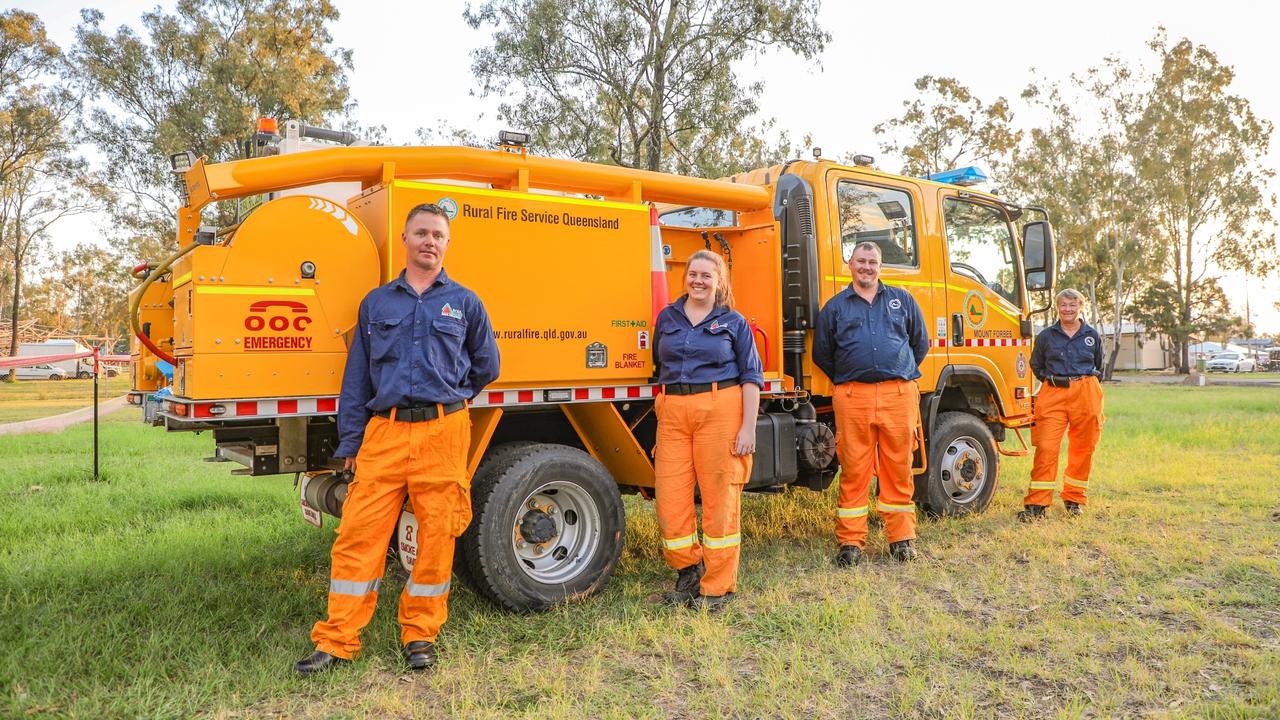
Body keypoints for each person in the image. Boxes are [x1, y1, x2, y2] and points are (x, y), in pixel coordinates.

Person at [295, 203, 500, 675]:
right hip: (383, 433)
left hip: (444, 433)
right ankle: (337, 640)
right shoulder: (377, 303)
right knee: (357, 536)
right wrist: (349, 443)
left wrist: (451, 397)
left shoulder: (466, 302)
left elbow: (488, 365)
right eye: (422, 233)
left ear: (447, 244)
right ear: (405, 239)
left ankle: (420, 635)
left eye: (438, 235)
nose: (430, 241)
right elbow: (357, 381)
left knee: (436, 537)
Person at [653, 249, 763, 612]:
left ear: (719, 282)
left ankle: (718, 587)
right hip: (673, 412)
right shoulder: (667, 317)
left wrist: (747, 427)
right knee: (671, 498)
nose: (698, 281)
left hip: (720, 409)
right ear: (685, 277)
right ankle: (687, 571)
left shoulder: (733, 322)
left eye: (706, 275)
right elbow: (659, 367)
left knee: (720, 499)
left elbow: (751, 378)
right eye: (693, 274)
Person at [813, 242, 929, 566]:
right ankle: (850, 543)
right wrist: (851, 377)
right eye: (861, 261)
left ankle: (901, 539)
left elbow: (920, 343)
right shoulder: (835, 307)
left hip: (898, 394)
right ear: (850, 264)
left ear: (881, 266)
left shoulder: (902, 300)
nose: (867, 267)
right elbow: (822, 353)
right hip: (853, 398)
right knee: (854, 470)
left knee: (899, 468)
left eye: (873, 262)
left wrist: (894, 373)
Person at [1018, 288, 1104, 521]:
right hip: (1053, 393)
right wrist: (1054, 380)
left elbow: (1099, 366)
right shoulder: (1046, 336)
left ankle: (1074, 499)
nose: (1067, 309)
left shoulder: (1092, 335)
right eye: (1063, 305)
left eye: (1072, 305)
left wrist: (1083, 385)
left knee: (1083, 448)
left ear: (1080, 307)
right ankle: (1037, 503)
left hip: (1086, 392)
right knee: (1046, 447)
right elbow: (1036, 365)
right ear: (1058, 307)